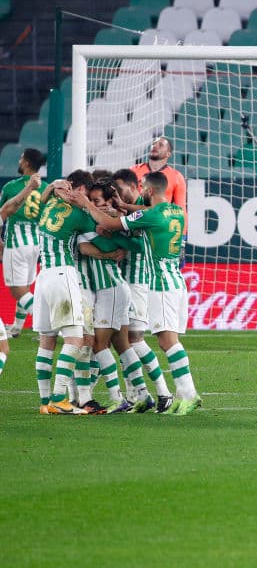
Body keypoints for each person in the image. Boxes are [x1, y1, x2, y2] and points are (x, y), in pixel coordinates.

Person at [68, 171, 201, 415]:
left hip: (159, 283)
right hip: (175, 279)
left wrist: (86, 204)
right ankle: (166, 394)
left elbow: (110, 224)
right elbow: (146, 213)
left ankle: (185, 394)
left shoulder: (150, 217)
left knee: (164, 341)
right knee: (147, 341)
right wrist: (123, 206)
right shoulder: (175, 212)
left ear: (148, 191)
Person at [76, 179, 155, 413]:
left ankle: (116, 397)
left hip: (110, 289)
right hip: (114, 288)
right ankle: (143, 394)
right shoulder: (101, 224)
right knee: (121, 344)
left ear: (109, 202)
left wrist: (109, 245)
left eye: (96, 201)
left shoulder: (105, 226)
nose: (92, 204)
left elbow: (85, 247)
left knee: (100, 344)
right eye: (90, 200)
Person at [37, 170, 103, 414]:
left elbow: (42, 198)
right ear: (80, 189)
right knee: (75, 339)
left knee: (46, 342)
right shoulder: (79, 214)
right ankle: (58, 398)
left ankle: (45, 402)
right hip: (63, 275)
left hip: (43, 276)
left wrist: (52, 187)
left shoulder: (51, 203)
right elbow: (102, 231)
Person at [112, 168, 174, 413]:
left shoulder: (142, 207)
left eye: (121, 189)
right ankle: (136, 394)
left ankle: (163, 392)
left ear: (134, 186)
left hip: (139, 282)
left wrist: (119, 240)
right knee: (122, 341)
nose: (118, 194)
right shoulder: (129, 207)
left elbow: (138, 243)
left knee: (134, 340)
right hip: (124, 281)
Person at [0, 148, 47, 337]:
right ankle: (17, 327)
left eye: (21, 158)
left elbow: (3, 213)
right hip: (36, 244)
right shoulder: (46, 187)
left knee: (17, 290)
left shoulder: (12, 187)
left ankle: (48, 322)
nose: (19, 161)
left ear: (26, 163)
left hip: (16, 243)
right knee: (25, 286)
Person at [131, 136, 186, 212]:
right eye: (154, 144)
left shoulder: (176, 177)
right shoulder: (134, 170)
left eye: (160, 145)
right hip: (134, 221)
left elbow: (181, 209)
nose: (155, 146)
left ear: (168, 154)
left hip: (160, 221)